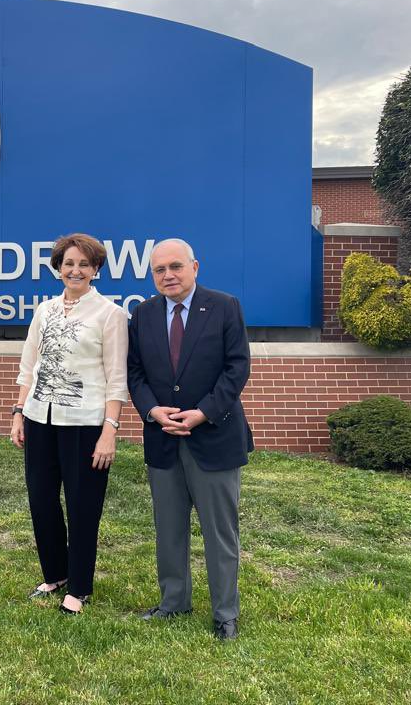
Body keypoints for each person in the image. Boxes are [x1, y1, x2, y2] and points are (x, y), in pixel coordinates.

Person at [126, 238, 252, 641]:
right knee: (169, 527)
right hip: (163, 438)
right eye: (160, 269)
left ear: (195, 267)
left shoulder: (224, 306)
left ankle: (225, 614)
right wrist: (151, 411)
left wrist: (203, 413)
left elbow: (237, 368)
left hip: (213, 436)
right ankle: (174, 602)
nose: (169, 275)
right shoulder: (142, 315)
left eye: (176, 267)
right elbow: (135, 373)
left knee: (220, 531)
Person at [10, 233, 128, 615]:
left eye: (84, 264)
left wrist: (109, 430)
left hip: (86, 423)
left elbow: (116, 378)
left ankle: (79, 587)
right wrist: (18, 411)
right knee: (41, 500)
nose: (75, 270)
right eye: (68, 263)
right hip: (39, 419)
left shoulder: (110, 315)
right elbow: (29, 365)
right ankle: (55, 574)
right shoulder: (44, 310)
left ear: (95, 270)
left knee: (82, 506)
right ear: (58, 267)